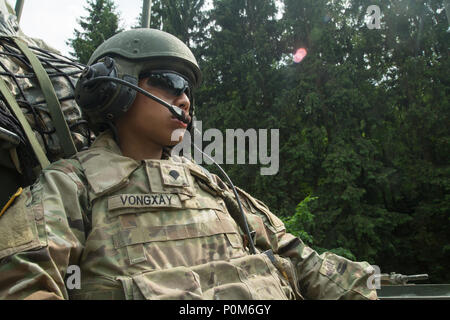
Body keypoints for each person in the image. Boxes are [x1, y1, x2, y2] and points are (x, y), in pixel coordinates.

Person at [0, 28, 378, 300]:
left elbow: (299, 258)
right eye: (169, 80)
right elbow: (24, 282)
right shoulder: (71, 185)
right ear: (112, 87)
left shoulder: (211, 184)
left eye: (188, 90)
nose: (183, 99)